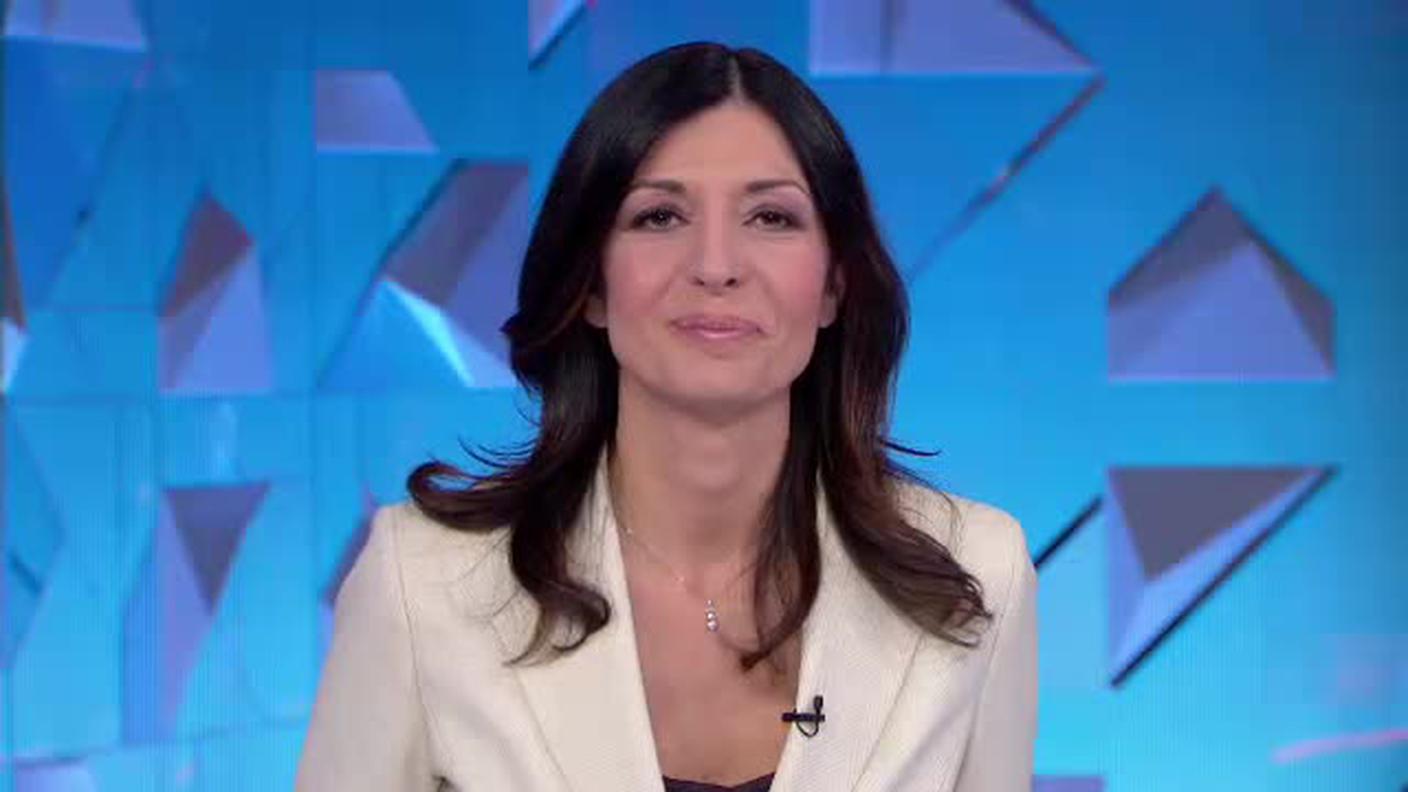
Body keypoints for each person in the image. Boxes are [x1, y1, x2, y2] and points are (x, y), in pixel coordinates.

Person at [296, 41, 1037, 792]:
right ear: (591, 285)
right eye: (659, 216)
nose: (716, 266)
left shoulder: (976, 577)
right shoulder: (422, 583)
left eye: (771, 216)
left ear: (832, 287)